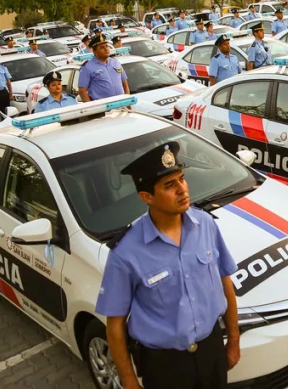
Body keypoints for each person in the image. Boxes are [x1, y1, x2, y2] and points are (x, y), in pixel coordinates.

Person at [96, 142, 240, 389]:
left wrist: (234, 340)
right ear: (147, 197)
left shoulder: (205, 224)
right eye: (169, 185)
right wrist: (129, 380)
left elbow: (225, 283)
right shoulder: (126, 252)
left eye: (182, 179)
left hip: (212, 350)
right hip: (165, 366)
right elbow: (115, 324)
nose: (182, 189)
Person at [77, 34, 129, 102]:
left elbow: (125, 84)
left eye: (106, 46)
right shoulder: (87, 67)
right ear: (94, 51)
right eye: (102, 47)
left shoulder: (115, 62)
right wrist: (93, 107)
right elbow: (82, 91)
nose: (106, 49)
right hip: (103, 106)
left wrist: (128, 102)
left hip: (121, 103)